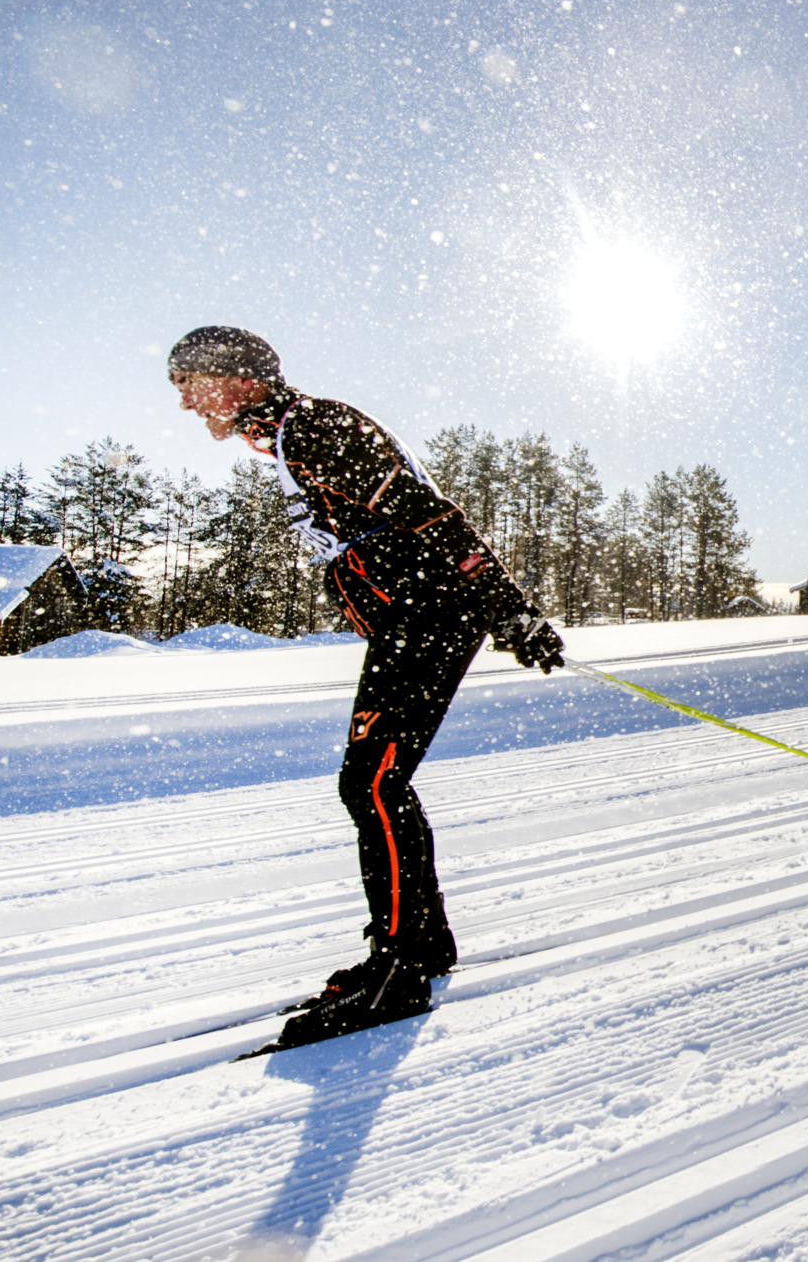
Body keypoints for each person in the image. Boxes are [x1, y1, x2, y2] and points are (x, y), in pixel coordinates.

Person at [168, 325, 566, 1049]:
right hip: (416, 615)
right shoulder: (290, 438)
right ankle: (421, 944)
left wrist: (508, 607)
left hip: (432, 609)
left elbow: (432, 515)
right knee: (375, 783)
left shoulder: (314, 427)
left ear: (241, 378)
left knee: (373, 783)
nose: (188, 403)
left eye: (191, 383)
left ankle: (401, 966)